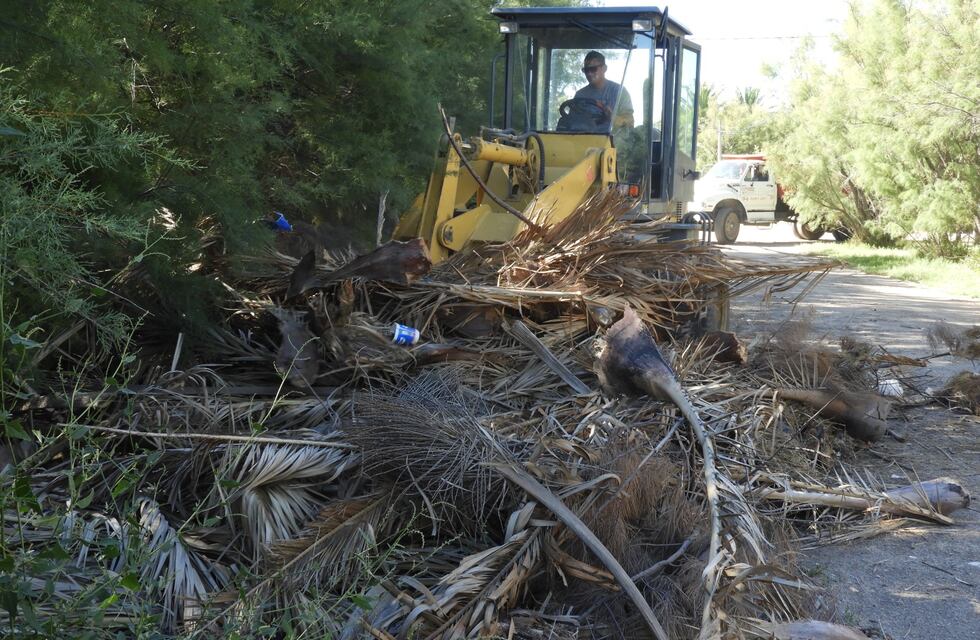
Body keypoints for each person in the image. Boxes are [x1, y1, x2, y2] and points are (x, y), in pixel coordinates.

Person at [574, 51, 634, 130]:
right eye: (586, 70)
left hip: (612, 141)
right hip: (583, 140)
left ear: (604, 68)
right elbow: (572, 122)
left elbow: (630, 122)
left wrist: (613, 118)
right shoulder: (579, 95)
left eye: (593, 69)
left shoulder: (619, 92)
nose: (589, 73)